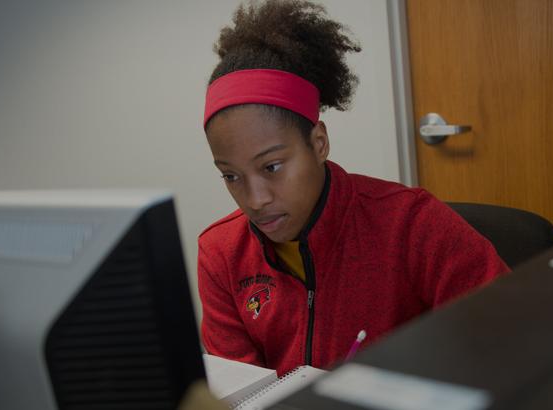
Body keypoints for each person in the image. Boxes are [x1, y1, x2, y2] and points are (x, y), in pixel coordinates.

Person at [198, 0, 510, 376]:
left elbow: (508, 333)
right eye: (231, 176)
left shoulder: (411, 224)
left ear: (318, 143)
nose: (256, 199)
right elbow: (239, 389)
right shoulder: (221, 254)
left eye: (272, 166)